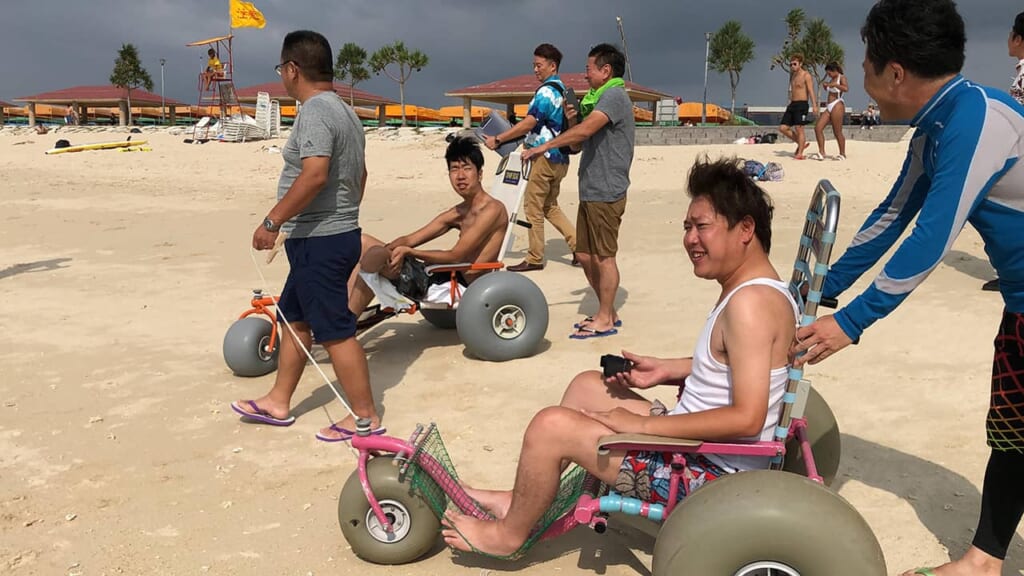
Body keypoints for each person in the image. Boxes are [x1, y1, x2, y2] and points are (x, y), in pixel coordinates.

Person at [440, 157, 798, 556]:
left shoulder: (749, 305)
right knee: (587, 387)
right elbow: (745, 364)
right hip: (703, 449)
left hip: (706, 475)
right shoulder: (761, 290)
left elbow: (747, 418)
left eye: (701, 226)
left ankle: (508, 537)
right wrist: (667, 370)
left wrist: (638, 426)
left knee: (550, 427)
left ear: (745, 228)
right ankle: (519, 503)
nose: (690, 240)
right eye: (686, 227)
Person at [791, 2, 1024, 574]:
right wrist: (820, 286)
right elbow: (892, 216)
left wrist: (851, 322)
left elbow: (933, 236)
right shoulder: (938, 124)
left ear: (895, 72)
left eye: (867, 66)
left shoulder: (979, 118)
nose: (864, 81)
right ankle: (983, 563)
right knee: (1015, 437)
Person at [231, 30, 379, 443]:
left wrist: (273, 221)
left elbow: (314, 174)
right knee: (293, 318)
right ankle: (279, 400)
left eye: (282, 69)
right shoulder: (347, 112)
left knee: (335, 329)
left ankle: (364, 416)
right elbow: (360, 175)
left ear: (293, 69)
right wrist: (342, 215)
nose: (282, 76)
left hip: (321, 240)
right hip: (329, 233)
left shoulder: (315, 112)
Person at [523, 43, 635, 339]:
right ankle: (606, 311)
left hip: (607, 189)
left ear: (605, 70)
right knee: (585, 255)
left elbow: (585, 132)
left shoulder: (613, 96)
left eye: (589, 69)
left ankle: (606, 318)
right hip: (591, 189)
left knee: (604, 257)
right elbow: (577, 143)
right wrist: (572, 118)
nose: (585, 75)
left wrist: (545, 145)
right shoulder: (597, 100)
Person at [347, 136, 508, 316]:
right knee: (365, 245)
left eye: (467, 168)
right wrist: (393, 250)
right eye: (454, 169)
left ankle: (345, 322)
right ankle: (343, 314)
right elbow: (411, 239)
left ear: (479, 174)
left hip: (455, 283)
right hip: (437, 274)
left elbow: (457, 256)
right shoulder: (459, 212)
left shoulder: (492, 210)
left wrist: (408, 252)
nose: (460, 176)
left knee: (374, 255)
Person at [485, 43, 577, 273]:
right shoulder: (563, 90)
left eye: (539, 65)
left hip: (543, 156)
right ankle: (579, 247)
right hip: (560, 157)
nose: (535, 70)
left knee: (533, 208)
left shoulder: (545, 91)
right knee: (550, 206)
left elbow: (530, 122)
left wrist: (499, 138)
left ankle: (535, 258)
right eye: (534, 65)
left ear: (552, 65)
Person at [779, 53, 817, 160]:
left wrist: (814, 105)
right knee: (783, 128)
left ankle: (800, 153)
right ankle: (801, 143)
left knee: (799, 128)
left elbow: (811, 91)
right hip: (792, 104)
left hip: (802, 104)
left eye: (794, 64)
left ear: (800, 64)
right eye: (790, 64)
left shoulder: (806, 75)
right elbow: (792, 91)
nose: (792, 66)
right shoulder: (793, 76)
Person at [810, 62, 847, 160]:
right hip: (829, 106)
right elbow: (830, 90)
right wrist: (826, 86)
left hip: (837, 104)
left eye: (829, 73)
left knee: (837, 131)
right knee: (818, 128)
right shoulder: (832, 79)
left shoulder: (841, 77)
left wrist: (835, 85)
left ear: (835, 70)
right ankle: (822, 152)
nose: (828, 75)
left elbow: (846, 88)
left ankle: (842, 154)